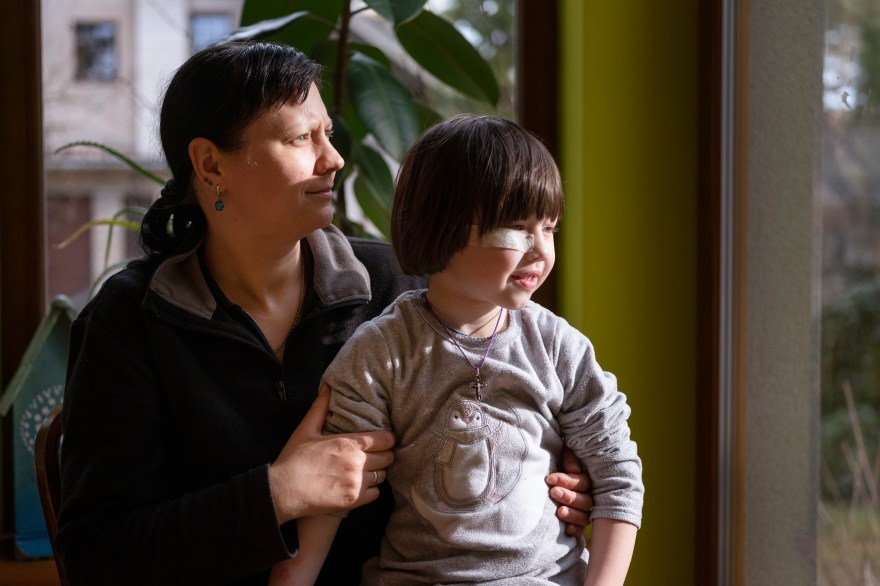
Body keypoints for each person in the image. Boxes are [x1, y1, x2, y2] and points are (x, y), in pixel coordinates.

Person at [55, 43, 595, 586]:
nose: (333, 158)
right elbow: (95, 558)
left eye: (328, 133)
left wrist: (563, 479)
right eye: (300, 138)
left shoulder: (401, 284)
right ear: (211, 164)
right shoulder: (129, 321)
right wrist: (279, 493)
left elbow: (518, 412)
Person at [270, 114, 644, 586]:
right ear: (441, 225)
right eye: (516, 228)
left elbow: (618, 477)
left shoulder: (557, 347)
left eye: (549, 228)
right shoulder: (381, 353)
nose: (540, 250)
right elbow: (331, 495)